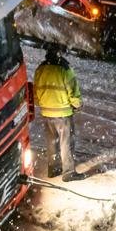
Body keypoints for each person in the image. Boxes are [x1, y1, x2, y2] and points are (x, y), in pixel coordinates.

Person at [33, 46, 83, 181]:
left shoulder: (40, 69)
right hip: (63, 112)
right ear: (59, 55)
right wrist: (77, 105)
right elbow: (73, 91)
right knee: (66, 143)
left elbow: (35, 91)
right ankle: (68, 172)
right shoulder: (65, 69)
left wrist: (43, 104)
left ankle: (53, 169)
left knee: (52, 142)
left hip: (47, 112)